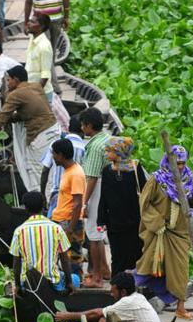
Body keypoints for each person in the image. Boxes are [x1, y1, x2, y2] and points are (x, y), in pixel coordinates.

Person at [134, 144, 193, 319]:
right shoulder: (157, 179)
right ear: (168, 160)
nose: (179, 167)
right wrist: (157, 223)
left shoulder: (187, 177)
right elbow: (144, 204)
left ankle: (180, 307)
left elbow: (192, 200)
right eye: (176, 162)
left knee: (181, 270)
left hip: (180, 233)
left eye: (182, 163)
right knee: (148, 266)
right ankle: (133, 297)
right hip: (160, 232)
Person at [0, 67, 58, 191]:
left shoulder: (16, 94)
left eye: (8, 80)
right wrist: (13, 118)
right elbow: (31, 110)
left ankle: (44, 203)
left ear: (16, 80)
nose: (7, 83)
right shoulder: (36, 86)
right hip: (54, 129)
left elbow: (1, 118)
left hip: (40, 135)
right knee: (53, 168)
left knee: (38, 171)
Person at [54, 271, 162, 322]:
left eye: (113, 292)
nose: (111, 295)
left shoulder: (127, 302)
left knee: (102, 321)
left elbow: (96, 313)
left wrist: (67, 316)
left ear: (123, 292)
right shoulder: (138, 297)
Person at [9, 191, 76, 295]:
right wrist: (69, 283)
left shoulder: (19, 231)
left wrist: (18, 286)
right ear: (44, 205)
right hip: (53, 283)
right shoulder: (57, 228)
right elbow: (65, 260)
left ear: (25, 208)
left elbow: (16, 263)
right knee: (75, 278)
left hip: (28, 284)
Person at [98, 136, 147, 277]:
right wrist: (101, 219)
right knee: (117, 256)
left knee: (134, 255)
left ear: (119, 151)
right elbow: (104, 196)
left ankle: (134, 286)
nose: (107, 154)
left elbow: (144, 193)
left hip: (134, 222)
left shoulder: (135, 169)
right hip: (114, 223)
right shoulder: (107, 171)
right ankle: (117, 286)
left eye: (109, 151)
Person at [79, 109, 112, 287]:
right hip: (108, 190)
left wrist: (84, 203)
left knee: (93, 235)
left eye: (83, 125)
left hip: (96, 190)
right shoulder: (107, 139)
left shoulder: (95, 147)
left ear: (89, 126)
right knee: (98, 232)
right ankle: (105, 269)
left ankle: (97, 278)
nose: (82, 128)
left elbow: (91, 177)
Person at [49, 137, 86, 269]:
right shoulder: (68, 170)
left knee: (72, 257)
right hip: (61, 218)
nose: (52, 157)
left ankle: (74, 283)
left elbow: (77, 203)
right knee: (62, 255)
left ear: (60, 155)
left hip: (68, 221)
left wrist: (71, 228)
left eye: (54, 153)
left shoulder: (75, 174)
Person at [41, 116, 84, 215]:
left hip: (58, 193)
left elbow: (45, 170)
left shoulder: (55, 145)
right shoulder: (84, 148)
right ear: (83, 129)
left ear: (68, 128)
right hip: (76, 195)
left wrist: (42, 193)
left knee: (54, 226)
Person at [24, 12, 54, 102]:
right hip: (30, 88)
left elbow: (45, 74)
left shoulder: (44, 46)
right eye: (29, 21)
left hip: (41, 93)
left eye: (32, 22)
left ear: (41, 27)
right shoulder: (32, 39)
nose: (28, 24)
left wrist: (36, 94)